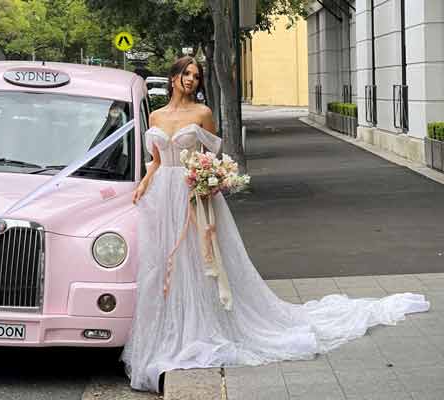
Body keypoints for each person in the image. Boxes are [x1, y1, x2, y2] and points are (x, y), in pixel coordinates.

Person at [120, 55, 430, 393]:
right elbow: (155, 161)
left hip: (193, 195)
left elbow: (211, 156)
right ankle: (172, 326)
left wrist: (208, 181)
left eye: (196, 76)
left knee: (200, 260)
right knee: (167, 264)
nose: (191, 80)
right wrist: (143, 184)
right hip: (162, 197)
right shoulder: (156, 115)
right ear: (174, 76)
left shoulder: (202, 114)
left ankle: (204, 324)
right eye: (186, 74)